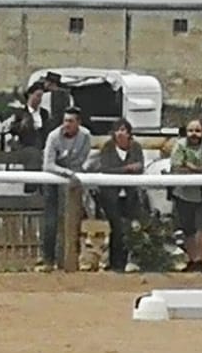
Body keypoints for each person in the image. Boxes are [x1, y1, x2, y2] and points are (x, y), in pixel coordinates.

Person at [90, 119, 145, 273]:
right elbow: (106, 169)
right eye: (118, 130)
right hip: (110, 195)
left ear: (129, 133)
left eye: (123, 130)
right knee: (117, 226)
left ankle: (126, 261)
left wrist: (126, 169)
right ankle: (115, 262)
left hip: (130, 194)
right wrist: (127, 168)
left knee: (128, 227)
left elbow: (140, 167)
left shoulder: (136, 147)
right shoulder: (108, 148)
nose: (120, 133)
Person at [170, 120, 202, 274]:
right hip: (184, 194)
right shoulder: (180, 145)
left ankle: (199, 260)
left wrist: (193, 168)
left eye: (197, 130)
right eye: (191, 130)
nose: (194, 134)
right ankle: (193, 260)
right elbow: (176, 168)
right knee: (187, 230)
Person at [41, 108, 92, 267]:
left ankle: (74, 258)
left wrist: (71, 172)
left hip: (74, 179)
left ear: (78, 123)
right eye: (65, 121)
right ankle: (47, 259)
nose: (66, 124)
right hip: (54, 179)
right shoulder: (54, 136)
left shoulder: (85, 136)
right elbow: (48, 164)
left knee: (77, 217)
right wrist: (67, 171)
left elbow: (82, 159)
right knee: (52, 219)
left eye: (70, 121)